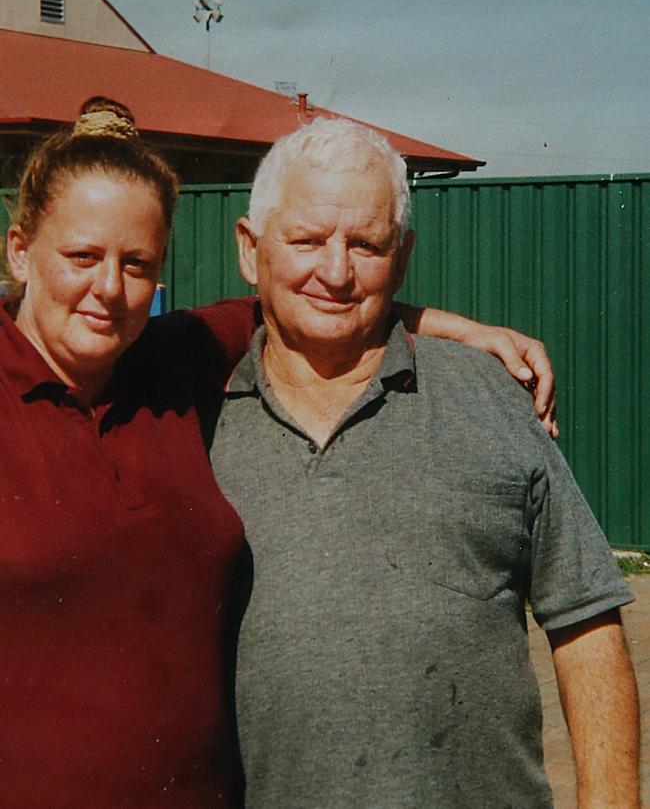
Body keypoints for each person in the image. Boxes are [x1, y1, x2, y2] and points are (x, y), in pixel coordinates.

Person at [0, 97, 556, 808]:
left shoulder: (174, 359)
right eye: (82, 256)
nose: (108, 287)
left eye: (136, 263)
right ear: (21, 249)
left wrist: (462, 329)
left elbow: (306, 298)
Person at [210, 117, 640, 808]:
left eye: (366, 245)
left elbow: (586, 620)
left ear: (403, 258)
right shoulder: (191, 417)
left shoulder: (492, 397)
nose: (336, 270)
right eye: (308, 239)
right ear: (248, 248)